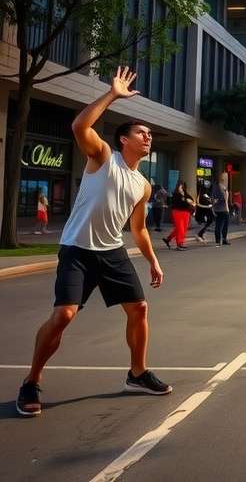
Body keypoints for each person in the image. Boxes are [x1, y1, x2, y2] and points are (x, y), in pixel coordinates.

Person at [17, 67, 170, 417]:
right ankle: (30, 380)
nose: (148, 137)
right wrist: (112, 95)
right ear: (123, 140)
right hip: (77, 251)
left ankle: (137, 373)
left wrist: (153, 261)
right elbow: (78, 127)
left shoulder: (143, 185)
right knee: (63, 316)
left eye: (150, 134)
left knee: (140, 308)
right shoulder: (103, 158)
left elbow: (140, 229)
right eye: (141, 133)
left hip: (112, 252)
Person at [163, 181, 194, 251]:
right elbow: (178, 203)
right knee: (180, 228)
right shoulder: (175, 194)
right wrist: (186, 201)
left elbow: (191, 200)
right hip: (177, 212)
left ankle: (168, 239)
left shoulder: (186, 194)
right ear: (177, 187)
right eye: (180, 186)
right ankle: (179, 244)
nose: (181, 188)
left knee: (182, 228)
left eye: (182, 186)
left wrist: (188, 201)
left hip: (186, 212)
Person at [212, 173, 231, 246]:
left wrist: (227, 207)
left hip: (225, 209)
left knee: (225, 225)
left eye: (226, 177)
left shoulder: (224, 187)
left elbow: (226, 199)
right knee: (219, 225)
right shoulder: (216, 188)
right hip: (219, 209)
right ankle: (218, 240)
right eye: (224, 177)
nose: (225, 179)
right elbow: (214, 199)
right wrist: (213, 208)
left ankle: (224, 239)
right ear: (221, 179)